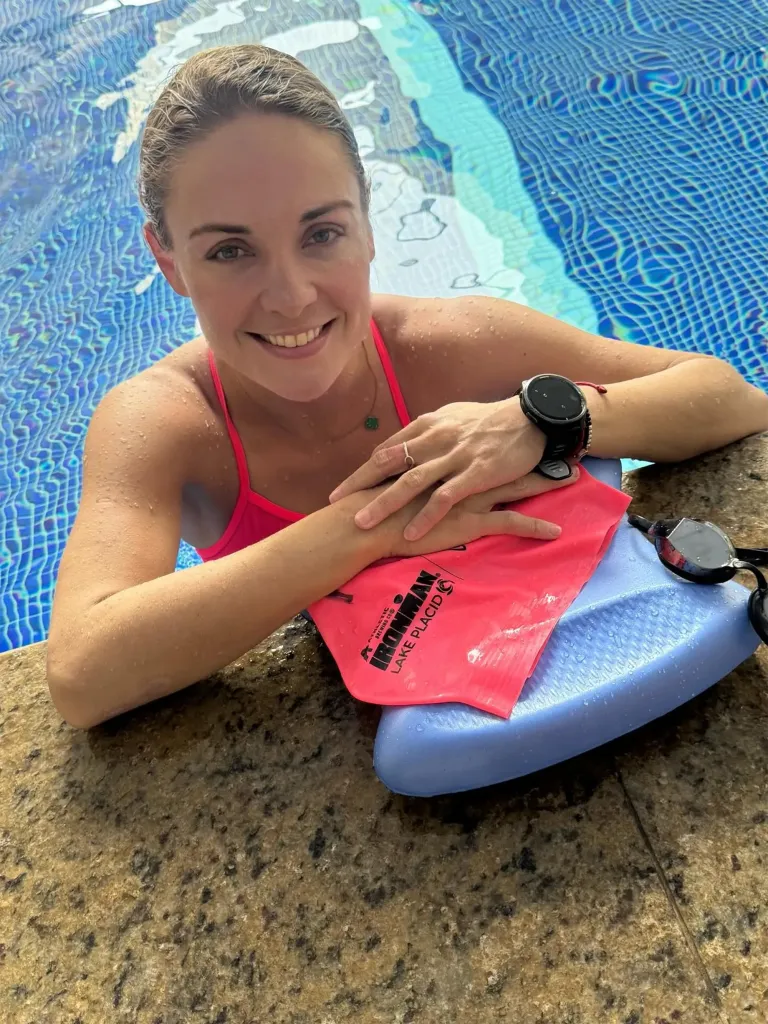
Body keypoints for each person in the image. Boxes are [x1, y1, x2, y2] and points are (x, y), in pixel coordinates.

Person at [47, 44, 768, 730]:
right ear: (168, 263)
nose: (291, 297)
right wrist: (376, 524)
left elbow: (729, 396)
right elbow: (83, 673)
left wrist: (542, 422)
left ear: (367, 225)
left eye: (321, 233)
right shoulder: (168, 422)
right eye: (230, 251)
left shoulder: (450, 345)